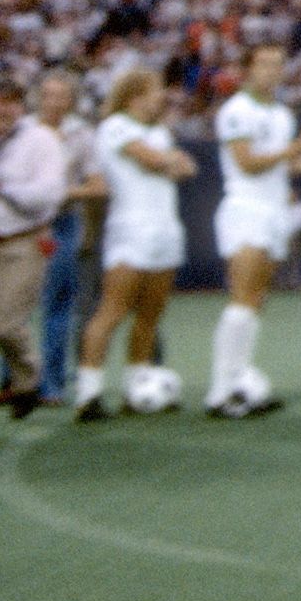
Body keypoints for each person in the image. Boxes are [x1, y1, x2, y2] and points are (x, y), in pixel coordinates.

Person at [209, 41, 301, 416]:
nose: (272, 70)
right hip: (245, 208)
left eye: (278, 64)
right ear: (248, 69)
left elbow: (286, 169)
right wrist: (298, 146)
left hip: (272, 211)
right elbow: (248, 163)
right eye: (264, 63)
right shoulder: (236, 111)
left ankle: (238, 381)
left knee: (256, 299)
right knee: (242, 295)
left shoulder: (283, 114)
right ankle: (220, 391)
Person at [73, 72, 197, 419]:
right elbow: (157, 161)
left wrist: (170, 162)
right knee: (111, 311)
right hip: (130, 231)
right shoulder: (115, 126)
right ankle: (88, 394)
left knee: (150, 315)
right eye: (156, 92)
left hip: (166, 231)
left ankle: (136, 389)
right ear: (134, 98)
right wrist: (169, 161)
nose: (163, 98)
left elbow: (185, 168)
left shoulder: (158, 132)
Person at [0, 83, 64, 417]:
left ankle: (27, 380)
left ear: (21, 107)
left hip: (17, 243)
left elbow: (48, 195)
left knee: (7, 327)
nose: (0, 110)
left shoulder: (40, 140)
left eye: (8, 103)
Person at [29, 69, 93, 407]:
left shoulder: (80, 134)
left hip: (62, 221)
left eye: (61, 95)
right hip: (22, 224)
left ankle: (52, 383)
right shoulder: (23, 130)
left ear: (71, 100)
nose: (53, 101)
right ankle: (13, 380)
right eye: (47, 93)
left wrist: (60, 191)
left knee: (58, 305)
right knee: (14, 306)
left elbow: (95, 184)